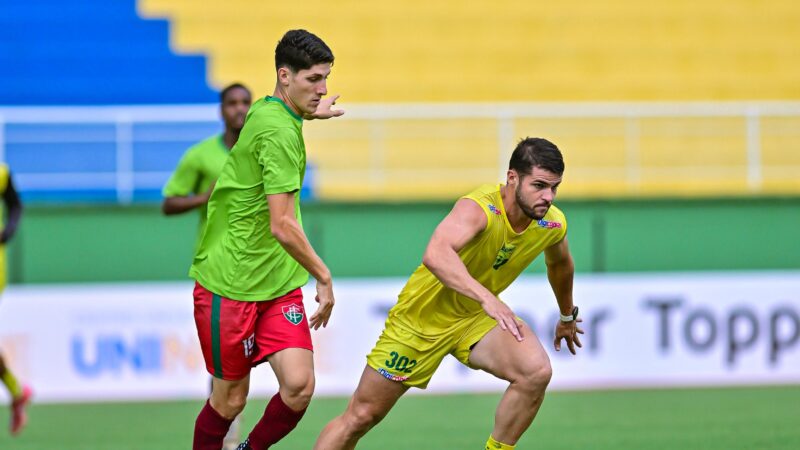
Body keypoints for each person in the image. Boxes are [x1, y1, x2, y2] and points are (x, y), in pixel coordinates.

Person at [315, 137, 584, 450]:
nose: (548, 197)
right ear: (513, 178)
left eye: (554, 188)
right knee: (360, 418)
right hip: (421, 321)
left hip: (473, 319)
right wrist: (488, 298)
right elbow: (437, 253)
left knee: (535, 372)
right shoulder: (480, 208)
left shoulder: (551, 223)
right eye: (539, 185)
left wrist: (567, 315)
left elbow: (561, 265)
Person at [189, 29, 344, 450]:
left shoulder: (271, 109)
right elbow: (283, 225)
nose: (323, 88)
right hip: (230, 284)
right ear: (285, 75)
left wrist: (312, 112)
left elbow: (283, 116)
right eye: (314, 79)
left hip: (275, 281)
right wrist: (324, 276)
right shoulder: (277, 133)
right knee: (229, 401)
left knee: (299, 385)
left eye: (325, 78)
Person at [162, 82, 252, 449]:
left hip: (258, 270)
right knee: (224, 364)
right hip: (216, 270)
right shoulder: (201, 156)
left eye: (246, 102)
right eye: (232, 103)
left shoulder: (260, 153)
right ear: (221, 110)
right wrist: (206, 195)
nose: (240, 109)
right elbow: (169, 203)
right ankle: (227, 437)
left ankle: (233, 434)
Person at [0, 164, 30, 436]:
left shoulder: (1, 173)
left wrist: (7, 232)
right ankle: (17, 392)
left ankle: (16, 391)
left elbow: (15, 206)